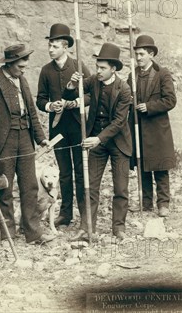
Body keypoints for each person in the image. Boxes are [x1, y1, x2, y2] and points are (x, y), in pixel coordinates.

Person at [0, 44, 54, 245]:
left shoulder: (22, 80)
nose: (24, 69)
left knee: (29, 187)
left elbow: (32, 111)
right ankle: (7, 234)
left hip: (25, 139)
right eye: (20, 66)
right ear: (10, 64)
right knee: (5, 187)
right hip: (4, 141)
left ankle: (32, 232)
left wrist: (40, 138)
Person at [64, 42, 132, 241]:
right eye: (97, 67)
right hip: (96, 142)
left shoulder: (124, 89)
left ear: (113, 69)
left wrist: (99, 139)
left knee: (120, 188)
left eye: (103, 68)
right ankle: (87, 228)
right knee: (90, 186)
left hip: (118, 143)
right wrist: (71, 84)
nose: (98, 71)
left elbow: (119, 122)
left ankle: (118, 228)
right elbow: (72, 93)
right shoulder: (93, 81)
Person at [36, 23, 91, 228]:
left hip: (78, 126)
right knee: (64, 173)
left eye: (55, 46)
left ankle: (85, 214)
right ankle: (65, 213)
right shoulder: (45, 71)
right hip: (58, 129)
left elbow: (91, 94)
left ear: (65, 47)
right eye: (49, 45)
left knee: (80, 170)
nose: (50, 49)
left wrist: (75, 103)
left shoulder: (78, 66)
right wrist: (51, 105)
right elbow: (40, 100)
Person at [130, 35, 177, 217]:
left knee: (160, 166)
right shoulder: (132, 75)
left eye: (141, 54)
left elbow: (170, 100)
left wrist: (148, 106)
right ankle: (146, 202)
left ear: (151, 54)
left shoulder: (162, 73)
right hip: (139, 128)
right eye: (136, 54)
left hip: (158, 129)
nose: (138, 57)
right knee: (142, 165)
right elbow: (127, 97)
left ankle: (163, 203)